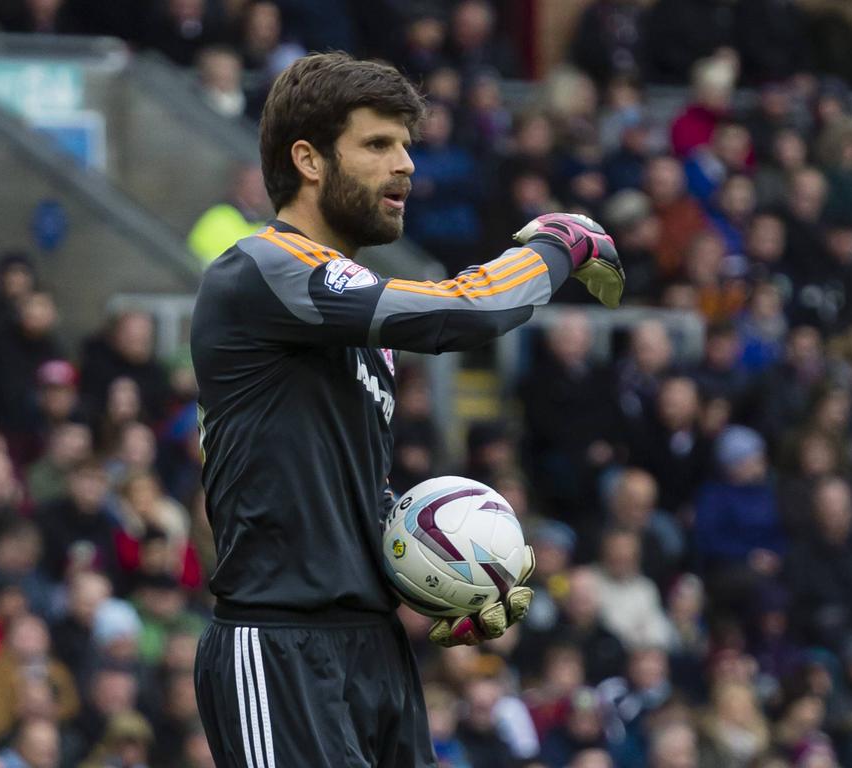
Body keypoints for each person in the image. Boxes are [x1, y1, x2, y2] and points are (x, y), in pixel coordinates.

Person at [190, 52, 625, 767]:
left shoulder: (349, 309)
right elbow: (467, 312)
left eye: (408, 146)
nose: (406, 166)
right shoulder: (260, 270)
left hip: (374, 646)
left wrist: (452, 576)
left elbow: (338, 492)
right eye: (377, 144)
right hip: (279, 647)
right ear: (308, 159)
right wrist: (559, 242)